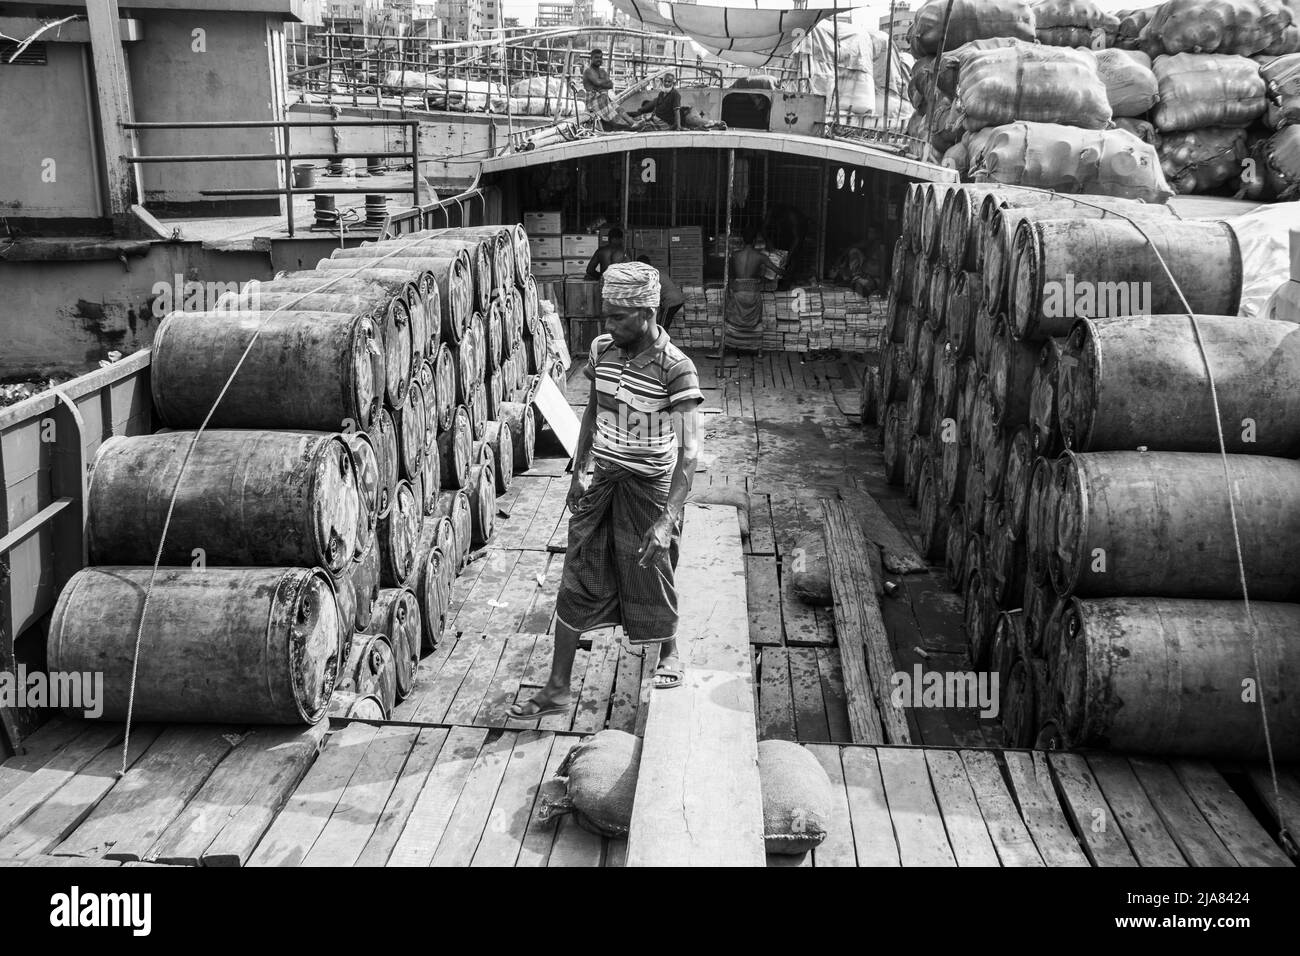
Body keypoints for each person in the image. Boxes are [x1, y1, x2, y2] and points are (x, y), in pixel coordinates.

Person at [509, 262, 704, 719]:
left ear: (647, 313)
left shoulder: (676, 370)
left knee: (652, 572)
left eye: (618, 317)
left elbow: (690, 453)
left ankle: (669, 651)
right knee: (577, 576)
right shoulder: (603, 350)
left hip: (650, 489)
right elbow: (593, 407)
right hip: (603, 481)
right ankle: (557, 688)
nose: (608, 325)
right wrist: (580, 468)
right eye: (606, 315)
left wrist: (665, 519)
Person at [718, 223, 781, 355]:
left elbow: (729, 275)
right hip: (752, 293)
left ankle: (729, 345)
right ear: (754, 240)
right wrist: (785, 265)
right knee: (755, 321)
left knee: (733, 319)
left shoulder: (735, 255)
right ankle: (758, 351)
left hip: (737, 291)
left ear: (742, 239)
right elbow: (777, 271)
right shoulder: (761, 256)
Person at [581, 48, 636, 129]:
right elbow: (598, 82)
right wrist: (602, 82)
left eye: (600, 57)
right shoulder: (588, 71)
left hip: (603, 98)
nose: (599, 59)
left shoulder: (602, 71)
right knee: (611, 111)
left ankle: (633, 123)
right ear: (591, 58)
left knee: (619, 109)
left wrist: (600, 83)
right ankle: (627, 126)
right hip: (593, 102)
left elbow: (610, 84)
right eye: (596, 57)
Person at [637, 254, 685, 330]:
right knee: (663, 322)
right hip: (677, 298)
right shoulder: (657, 271)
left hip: (671, 301)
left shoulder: (650, 275)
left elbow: (651, 295)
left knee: (662, 325)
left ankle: (663, 341)